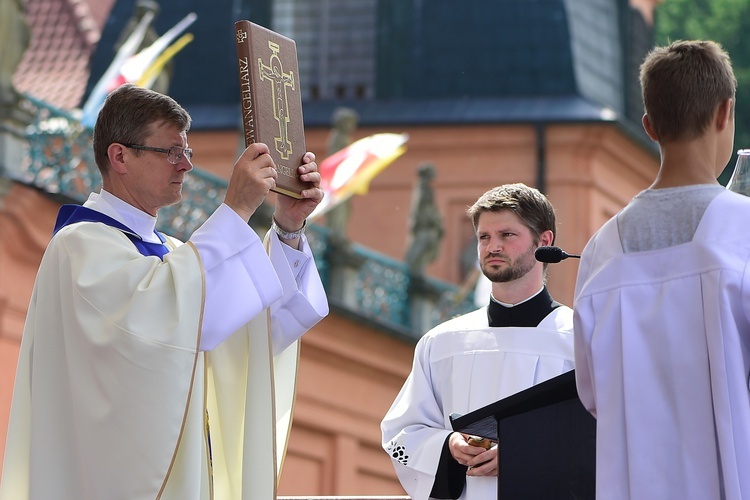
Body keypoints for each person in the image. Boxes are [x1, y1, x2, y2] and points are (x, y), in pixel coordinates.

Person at [0, 83, 329, 499]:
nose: (185, 166)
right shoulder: (79, 245)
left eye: (187, 152)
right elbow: (154, 324)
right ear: (119, 156)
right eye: (171, 152)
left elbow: (254, 328)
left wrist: (287, 226)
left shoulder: (175, 255)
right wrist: (236, 211)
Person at [573, 40, 750, 499]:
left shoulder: (600, 251)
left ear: (649, 126)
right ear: (724, 113)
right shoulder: (743, 230)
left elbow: (592, 394)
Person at [381, 183, 575, 500]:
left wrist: (525, 457)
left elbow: (608, 436)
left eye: (507, 235)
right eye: (484, 237)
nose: (492, 246)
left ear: (545, 242)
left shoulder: (581, 339)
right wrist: (447, 446)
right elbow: (402, 434)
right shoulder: (442, 342)